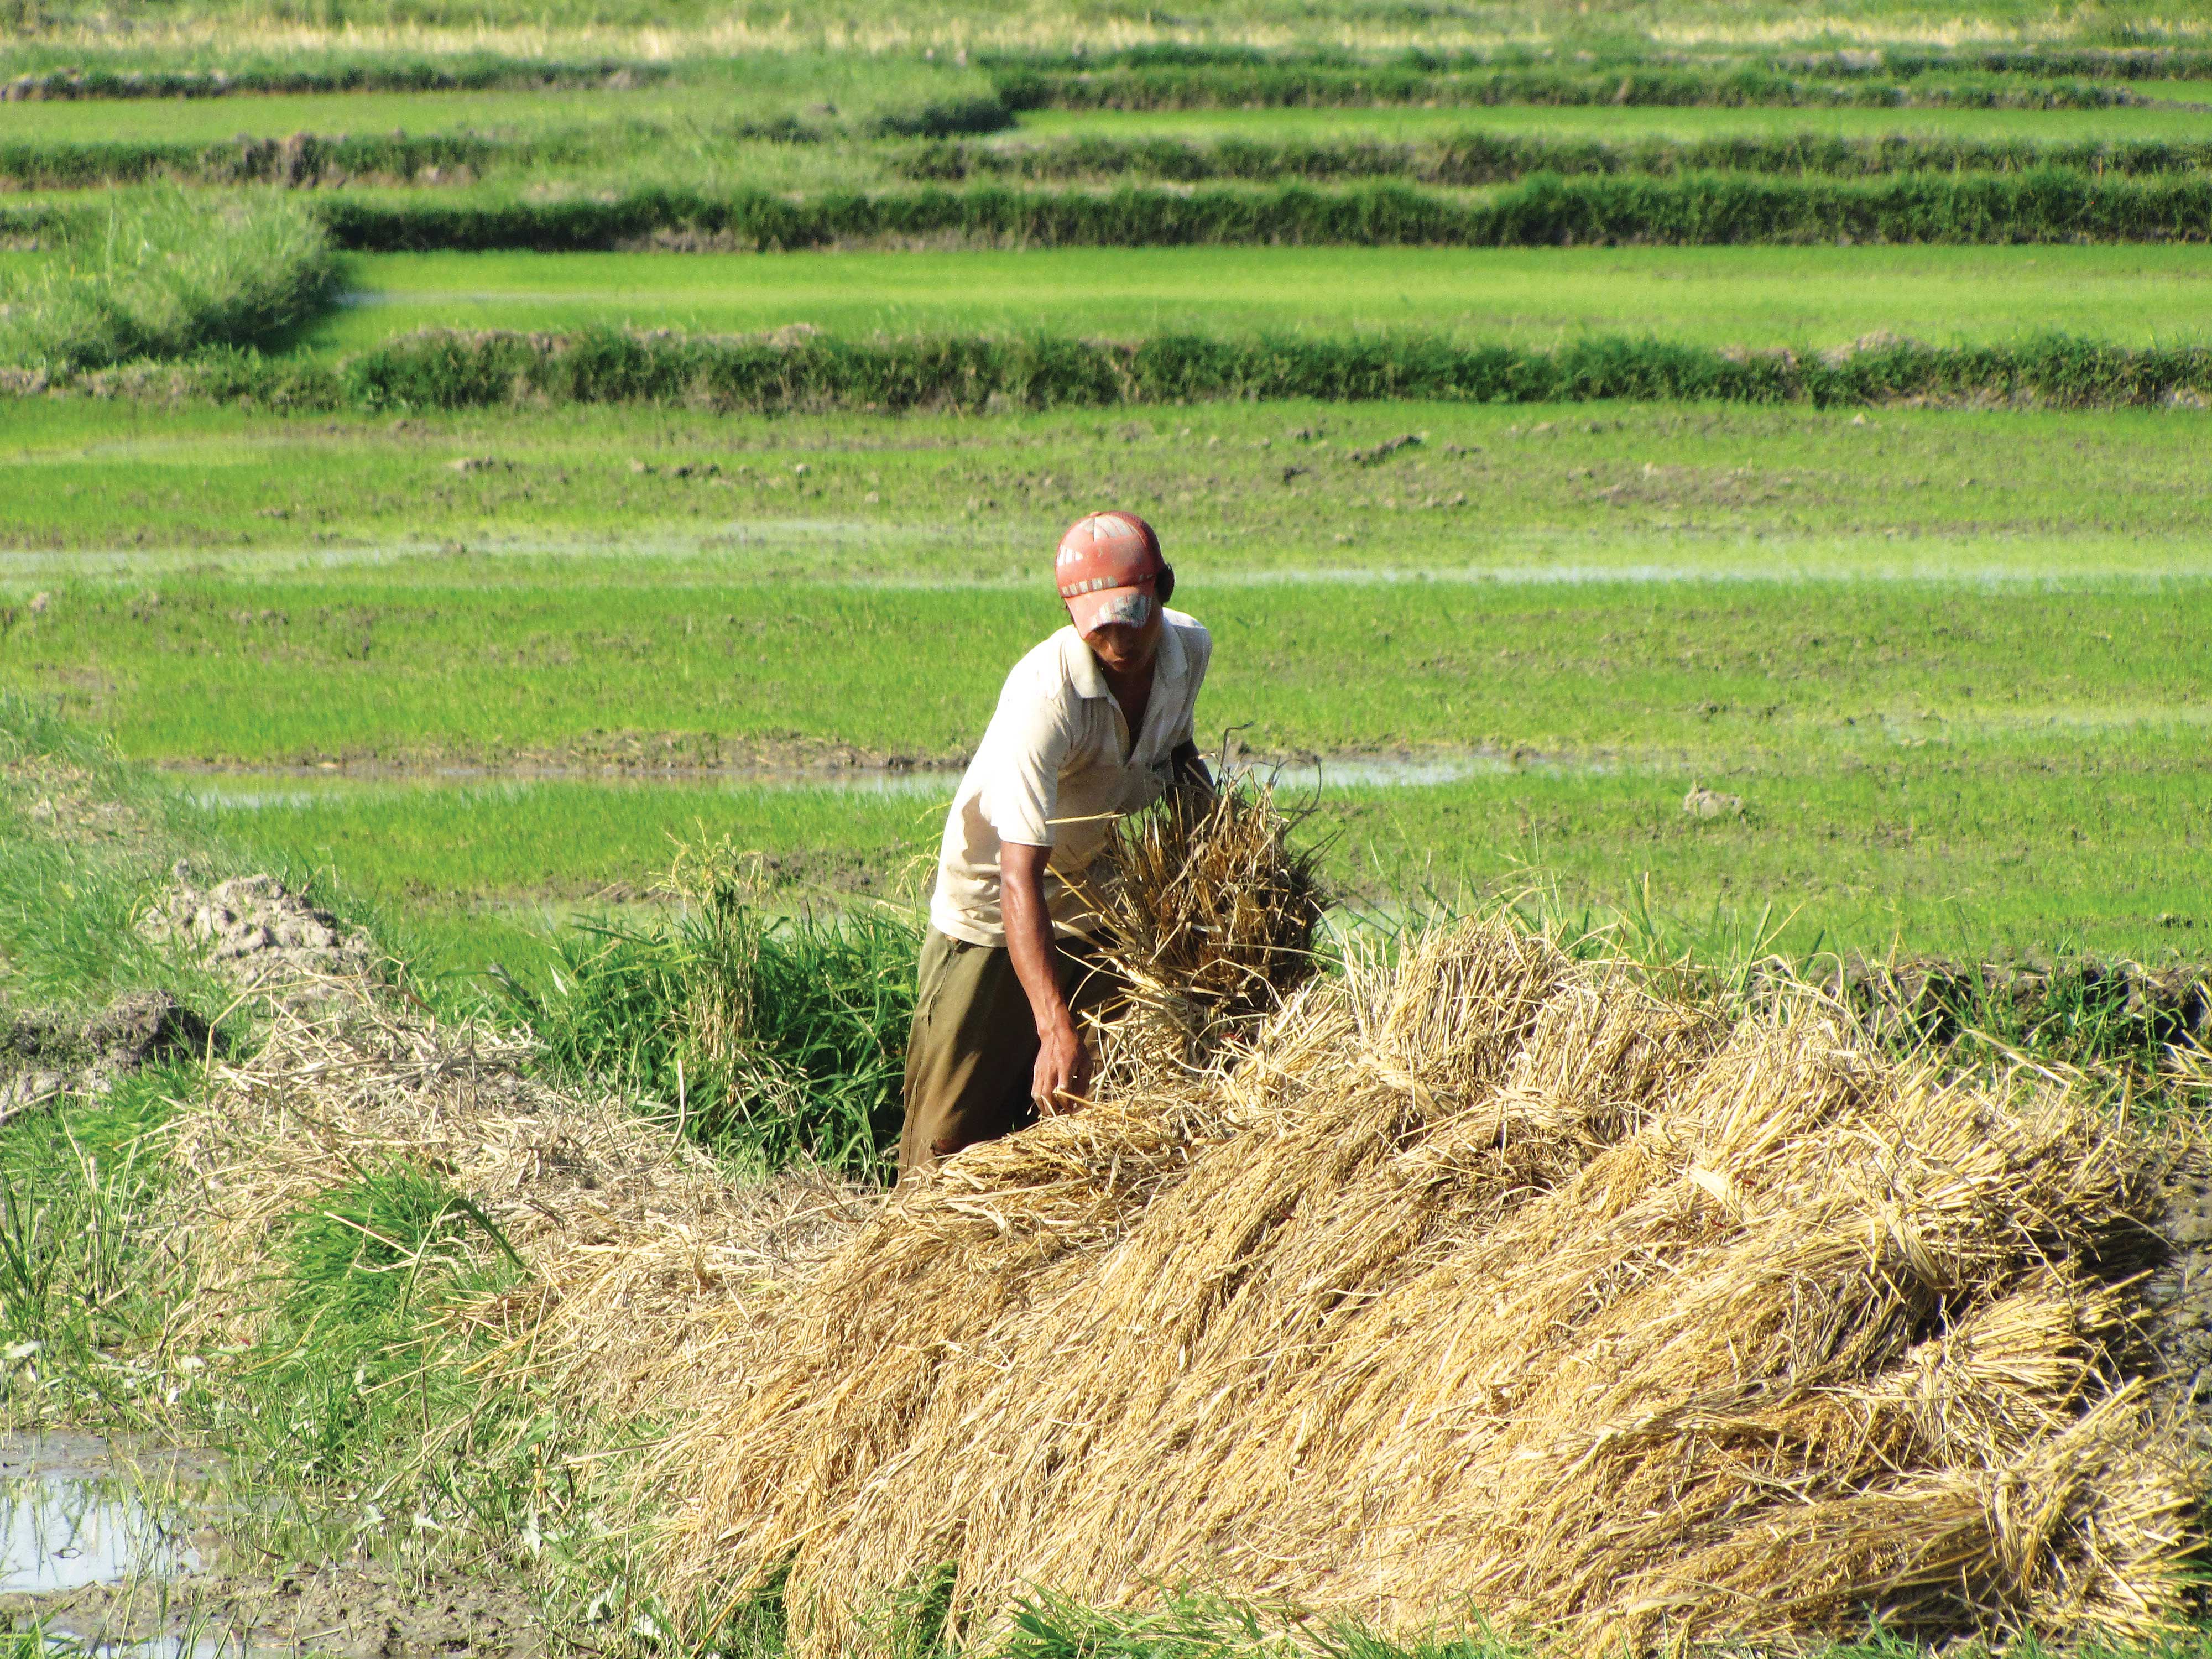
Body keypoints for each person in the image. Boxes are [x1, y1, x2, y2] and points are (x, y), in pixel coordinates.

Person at [898, 510, 1212, 1173]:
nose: (1118, 637)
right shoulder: (1044, 696)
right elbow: (1018, 875)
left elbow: (1177, 754)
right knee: (950, 1149)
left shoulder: (1189, 654)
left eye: (1131, 612)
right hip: (992, 915)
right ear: (1070, 612)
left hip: (1095, 901)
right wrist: (1051, 1024)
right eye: (1098, 621)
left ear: (1164, 589)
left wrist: (1220, 867)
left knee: (1104, 1123)